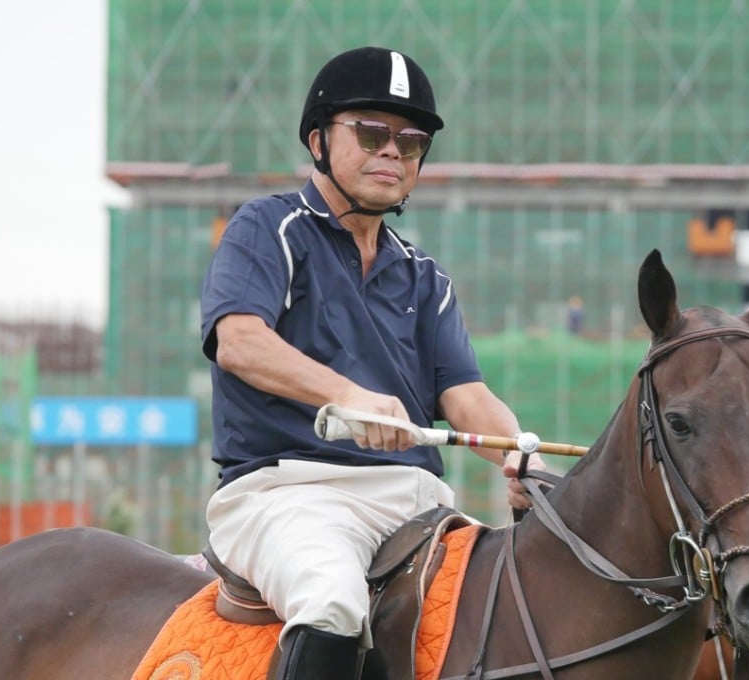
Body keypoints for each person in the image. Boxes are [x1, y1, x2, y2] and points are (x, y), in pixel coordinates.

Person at [200, 46, 546, 680]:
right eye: (371, 132)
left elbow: (465, 392)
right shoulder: (267, 227)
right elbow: (240, 342)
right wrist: (350, 396)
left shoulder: (426, 277)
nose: (392, 151)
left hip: (417, 506)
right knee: (333, 601)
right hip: (289, 494)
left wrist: (519, 451)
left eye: (410, 142)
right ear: (318, 140)